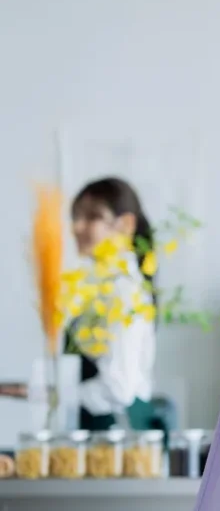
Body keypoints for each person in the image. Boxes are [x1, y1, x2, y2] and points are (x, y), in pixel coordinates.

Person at [0, 176, 159, 431]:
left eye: (92, 217)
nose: (76, 227)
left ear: (126, 224)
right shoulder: (100, 286)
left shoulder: (124, 291)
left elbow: (118, 388)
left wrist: (40, 393)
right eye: (75, 217)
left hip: (111, 437)